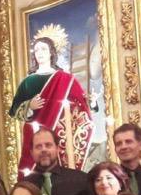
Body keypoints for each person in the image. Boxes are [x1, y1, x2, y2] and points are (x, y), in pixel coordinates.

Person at [9, 31, 92, 175]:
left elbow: (81, 103)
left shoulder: (65, 78)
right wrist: (29, 106)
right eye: (36, 50)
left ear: (51, 53)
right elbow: (14, 110)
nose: (39, 53)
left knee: (63, 172)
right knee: (33, 174)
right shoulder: (28, 82)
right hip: (34, 131)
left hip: (60, 133)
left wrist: (92, 102)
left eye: (43, 49)